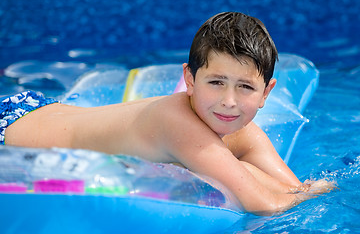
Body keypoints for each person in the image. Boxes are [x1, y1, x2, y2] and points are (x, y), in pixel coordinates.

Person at [0, 12, 334, 215]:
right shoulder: (176, 122)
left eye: (245, 87)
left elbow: (299, 190)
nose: (229, 101)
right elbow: (262, 202)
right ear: (189, 79)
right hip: (11, 132)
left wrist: (307, 191)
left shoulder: (241, 129)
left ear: (266, 93)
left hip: (36, 107)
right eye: (216, 82)